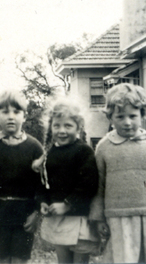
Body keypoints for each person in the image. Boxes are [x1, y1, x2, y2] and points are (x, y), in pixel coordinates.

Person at [89, 83, 146, 263]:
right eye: (120, 116)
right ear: (110, 118)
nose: (127, 122)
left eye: (133, 116)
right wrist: (99, 218)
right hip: (117, 220)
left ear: (143, 115)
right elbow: (98, 187)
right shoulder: (103, 148)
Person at [0, 89, 44, 264]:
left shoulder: (34, 147)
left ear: (25, 116)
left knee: (20, 259)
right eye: (5, 112)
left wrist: (36, 213)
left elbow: (42, 184)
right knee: (3, 259)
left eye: (16, 112)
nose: (11, 117)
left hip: (25, 215)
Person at [32, 98, 99, 263]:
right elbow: (43, 183)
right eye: (57, 125)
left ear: (78, 127)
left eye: (68, 126)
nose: (62, 130)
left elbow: (88, 185)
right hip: (58, 220)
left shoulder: (84, 151)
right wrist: (43, 202)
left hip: (79, 218)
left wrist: (67, 204)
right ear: (51, 127)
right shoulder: (50, 153)